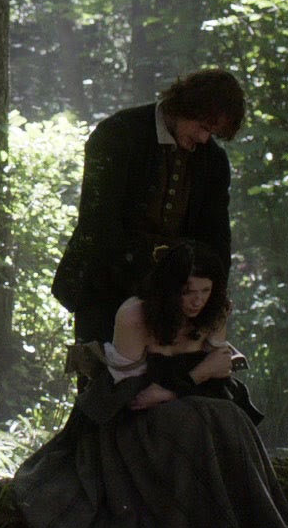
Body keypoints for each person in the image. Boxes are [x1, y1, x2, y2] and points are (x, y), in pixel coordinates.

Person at [14, 244, 288, 528]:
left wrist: (181, 385)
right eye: (187, 292)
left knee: (227, 419)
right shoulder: (135, 314)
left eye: (205, 291)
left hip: (191, 410)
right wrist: (189, 381)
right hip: (134, 422)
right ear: (169, 288)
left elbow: (217, 373)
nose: (197, 302)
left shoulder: (215, 311)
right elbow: (130, 396)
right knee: (193, 422)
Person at [53, 68, 246, 343]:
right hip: (105, 288)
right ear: (185, 106)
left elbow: (216, 236)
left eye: (212, 132)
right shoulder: (118, 134)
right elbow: (99, 223)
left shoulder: (212, 160)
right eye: (203, 126)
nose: (204, 138)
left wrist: (212, 296)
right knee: (104, 368)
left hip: (176, 301)